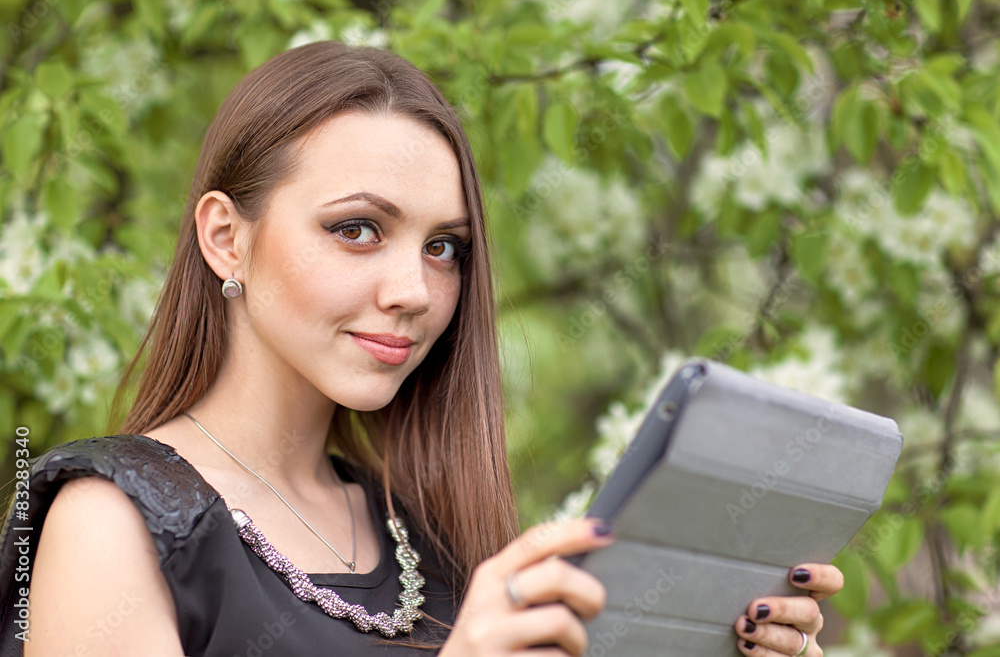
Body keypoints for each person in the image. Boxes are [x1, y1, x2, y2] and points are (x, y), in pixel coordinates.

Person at [0, 41, 842, 656]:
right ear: (226, 237)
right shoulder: (111, 523)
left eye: (444, 246)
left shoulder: (436, 539)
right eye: (357, 229)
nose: (416, 289)